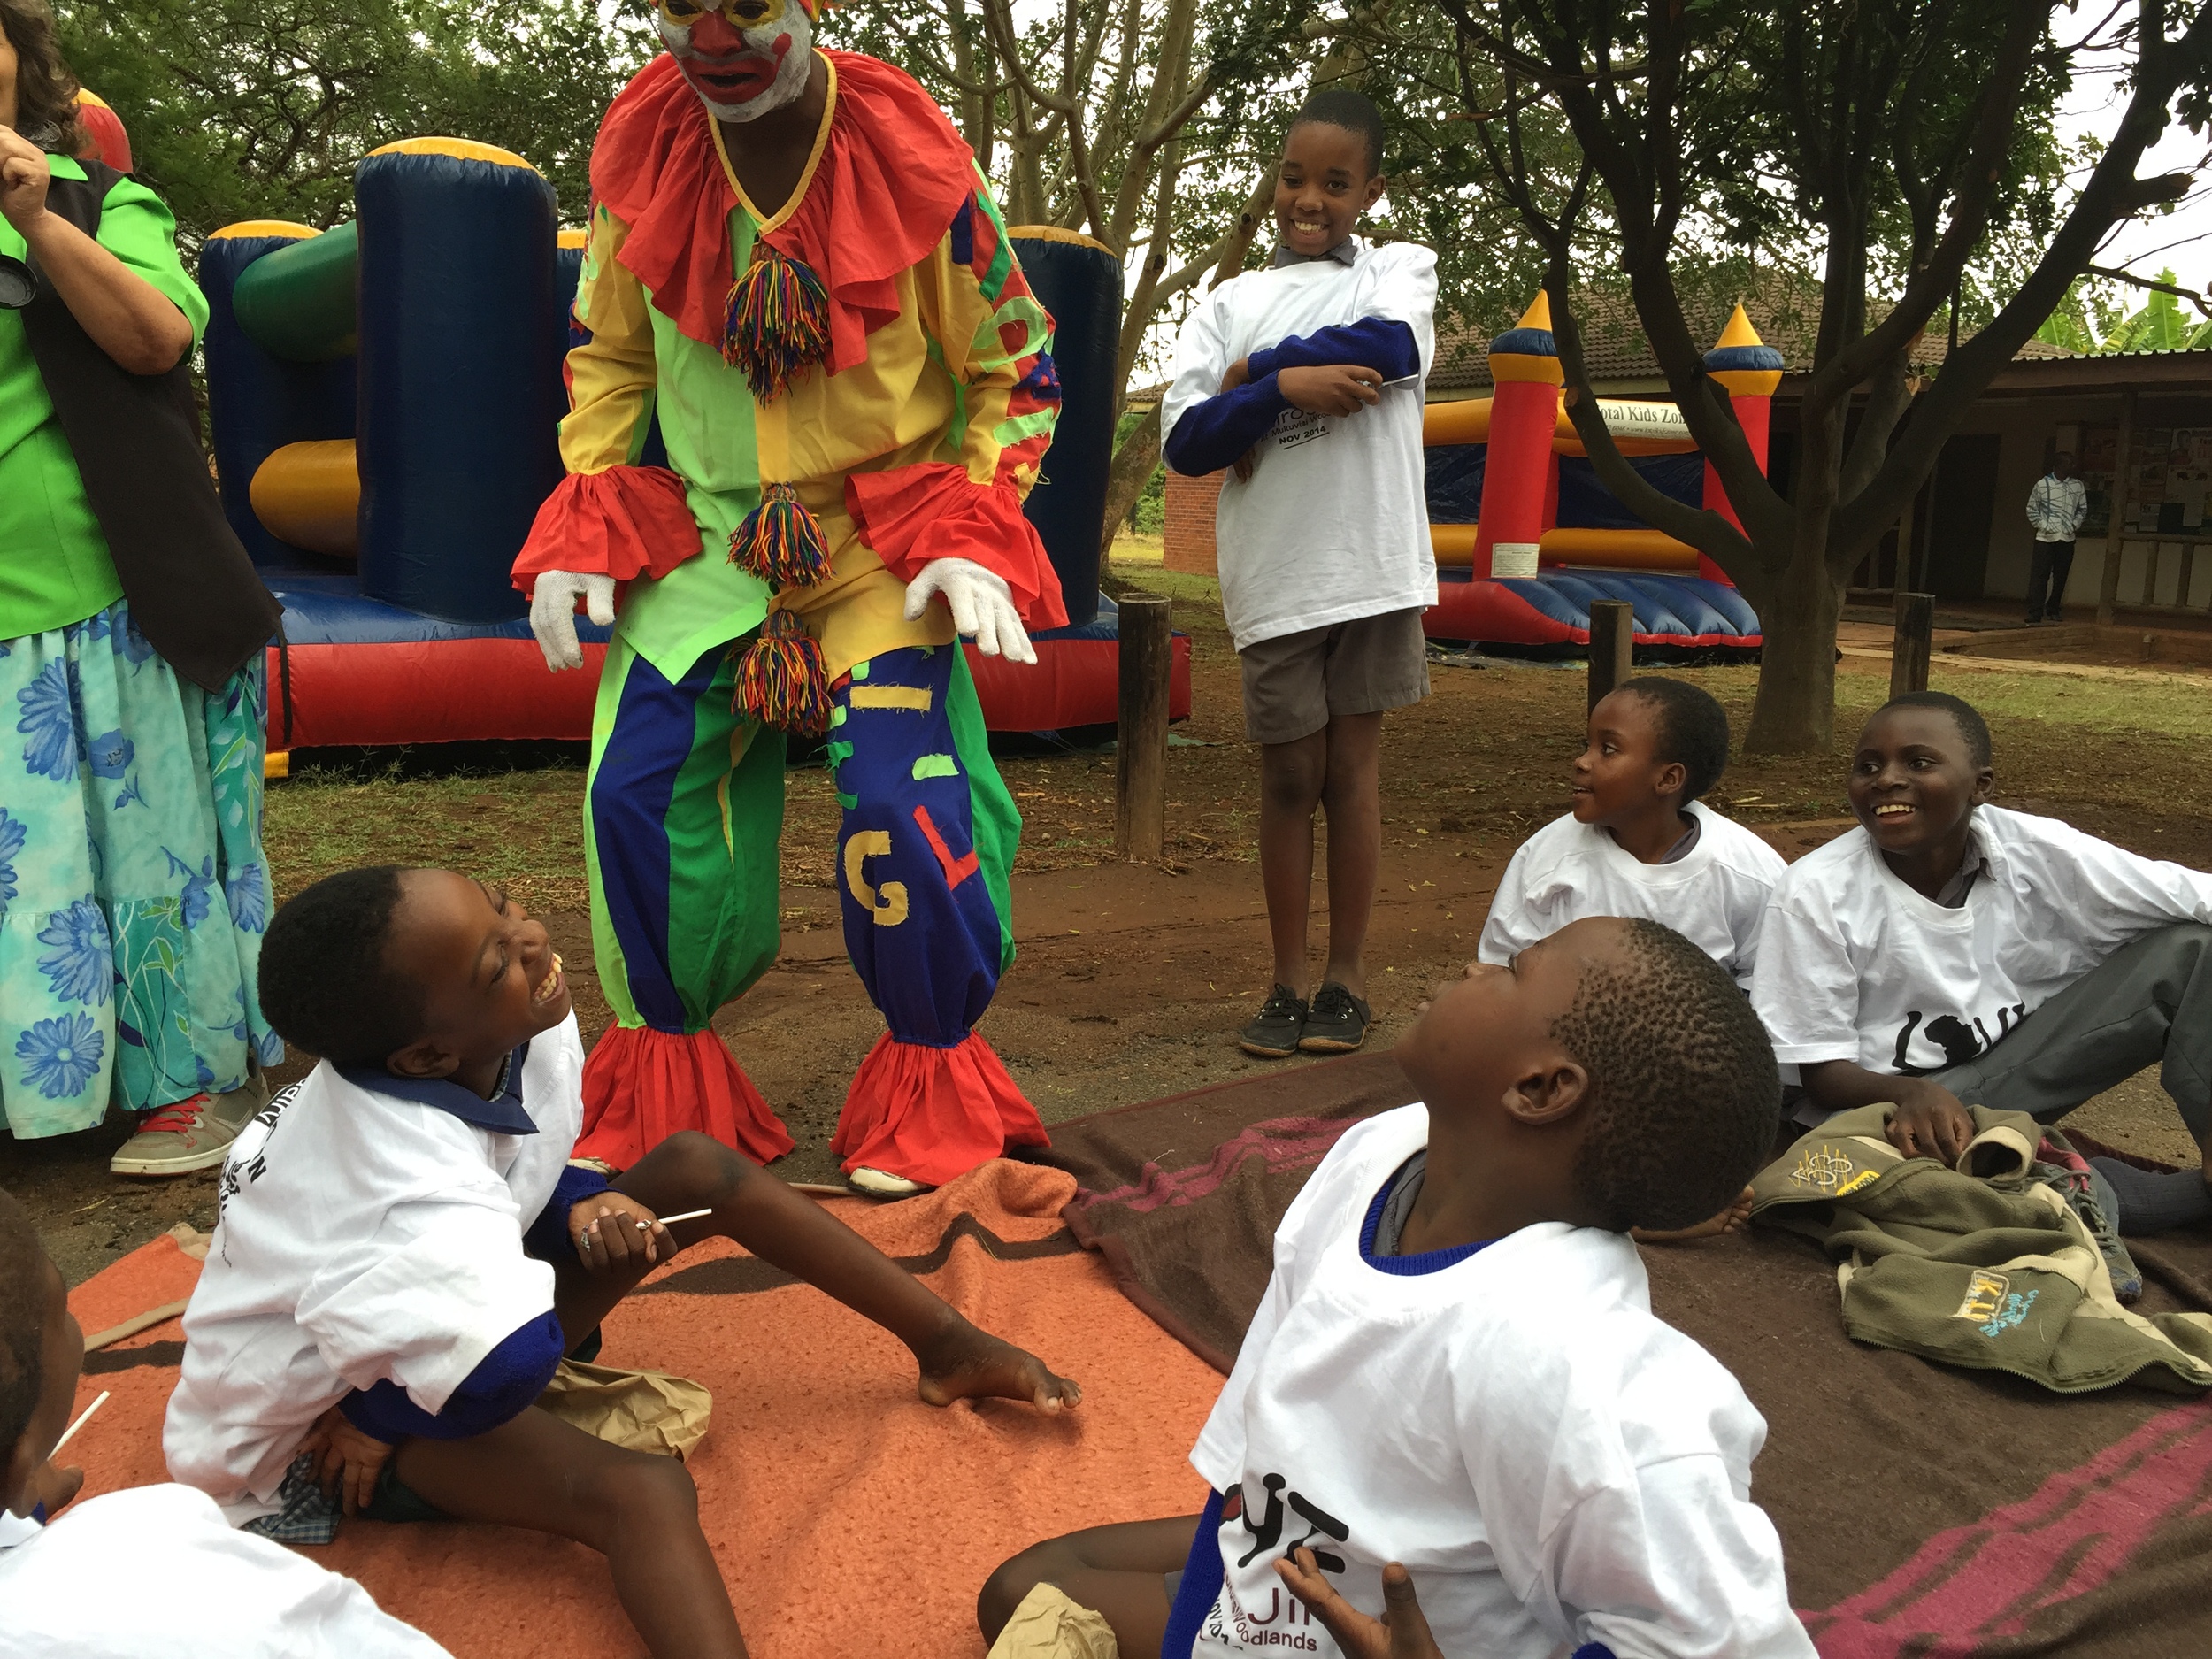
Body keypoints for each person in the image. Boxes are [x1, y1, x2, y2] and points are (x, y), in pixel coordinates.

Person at [164, 865, 1080, 1659]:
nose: (529, 937)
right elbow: (502, 1371)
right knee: (641, 1494)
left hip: (413, 1313)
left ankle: (946, 1344)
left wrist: (578, 1197)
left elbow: (506, 1165)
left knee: (696, 1169)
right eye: (497, 959)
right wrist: (371, 1416)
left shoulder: (497, 1030)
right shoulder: (400, 1187)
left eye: (504, 907)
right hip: (328, 1423)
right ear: (429, 1051)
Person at [512, 0, 1066, 1198]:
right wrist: (590, 509)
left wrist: (975, 524)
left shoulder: (918, 160)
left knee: (899, 806)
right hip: (713, 543)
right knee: (636, 789)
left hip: (879, 549)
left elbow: (1014, 365)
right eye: (680, 6)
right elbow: (607, 354)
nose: (714, 34)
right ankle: (666, 1076)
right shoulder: (643, 156)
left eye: (752, 5)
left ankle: (930, 1092)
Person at [975, 917, 1812, 1659]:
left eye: (1515, 969)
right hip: (1283, 1561)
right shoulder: (1379, 1152)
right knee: (1024, 1587)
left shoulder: (1582, 1368)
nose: (1479, 968)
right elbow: (1257, 1440)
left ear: (1541, 1088)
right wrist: (1206, 1622)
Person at [0, 0, 282, 1174]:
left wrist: (31, 218)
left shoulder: (101, 200)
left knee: (140, 849)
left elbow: (156, 337)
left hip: (95, 603)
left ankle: (184, 1089)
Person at [1159, 88, 1438, 1060]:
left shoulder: (1399, 270)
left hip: (1369, 565)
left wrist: (1256, 377)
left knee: (1352, 775)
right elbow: (1187, 441)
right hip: (1277, 577)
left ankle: (1346, 979)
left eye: (1334, 182)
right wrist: (1278, 387)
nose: (1307, 198)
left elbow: (1390, 347)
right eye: (1292, 177)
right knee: (1288, 778)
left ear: (1369, 191)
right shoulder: (1226, 302)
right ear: (1273, 180)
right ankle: (1283, 982)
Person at [1751, 690, 2212, 1233]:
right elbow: (1822, 1074)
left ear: (1981, 788)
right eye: (1868, 766)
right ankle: (2092, 1191)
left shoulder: (2040, 850)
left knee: (2192, 950)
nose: (1887, 779)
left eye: (1919, 762)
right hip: (1884, 1116)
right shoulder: (1814, 891)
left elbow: (2192, 895)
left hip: (2011, 1073)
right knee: (1894, 1187)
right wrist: (1911, 1091)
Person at [0, 1188, 454, 1656]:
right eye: (62, 1307)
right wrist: (386, 1413)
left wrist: (19, 1510)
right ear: (19, 1463)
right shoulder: (139, 1557)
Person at [1479, 678, 1785, 988]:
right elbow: (1498, 972)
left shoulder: (1747, 874)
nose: (1582, 761)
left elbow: (1772, 984)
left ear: (1668, 778)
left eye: (1608, 749)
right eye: (1588, 745)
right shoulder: (1547, 856)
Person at [2024, 449, 2087, 626]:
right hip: (2045, 538)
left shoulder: (2077, 486)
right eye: (2068, 463)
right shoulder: (2042, 485)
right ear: (2059, 465)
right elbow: (2031, 509)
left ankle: (2053, 609)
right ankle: (2035, 612)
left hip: (2066, 538)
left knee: (2061, 576)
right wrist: (2044, 526)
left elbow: (2082, 510)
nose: (2072, 466)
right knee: (2040, 576)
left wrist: (2073, 526)